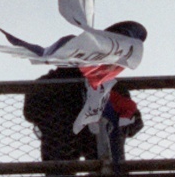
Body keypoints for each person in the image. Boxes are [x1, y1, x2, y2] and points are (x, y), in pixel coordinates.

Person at [21, 21, 147, 166]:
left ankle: (109, 176)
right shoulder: (53, 81)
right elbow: (31, 109)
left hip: (95, 146)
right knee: (60, 173)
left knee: (69, 170)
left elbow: (135, 121)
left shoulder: (111, 86)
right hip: (63, 142)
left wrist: (119, 122)